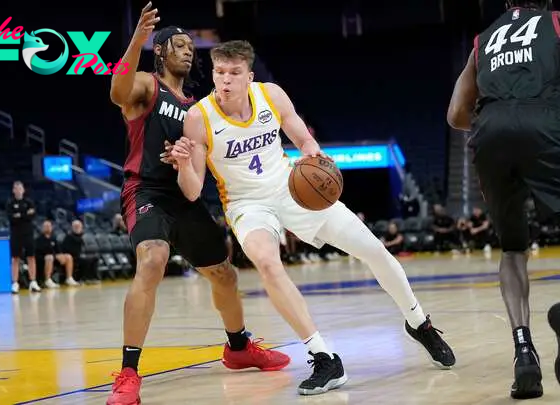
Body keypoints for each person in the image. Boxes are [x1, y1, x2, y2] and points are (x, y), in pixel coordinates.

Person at [167, 39, 456, 396]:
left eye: (234, 73)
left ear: (249, 75)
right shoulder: (199, 117)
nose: (225, 80)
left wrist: (315, 159)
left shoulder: (271, 95)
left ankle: (418, 322)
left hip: (292, 187)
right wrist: (182, 165)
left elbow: (304, 141)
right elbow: (193, 190)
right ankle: (323, 356)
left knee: (373, 249)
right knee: (269, 265)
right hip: (246, 205)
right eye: (219, 72)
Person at [107, 4, 289, 404]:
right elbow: (116, 92)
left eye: (192, 47)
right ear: (160, 50)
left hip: (183, 197)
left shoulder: (195, 107)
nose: (190, 51)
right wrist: (138, 38)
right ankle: (128, 372)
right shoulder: (145, 85)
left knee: (224, 274)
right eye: (180, 45)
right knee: (152, 259)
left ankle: (238, 348)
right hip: (146, 192)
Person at [447, 0, 558, 398]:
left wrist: (499, 118)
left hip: (489, 132)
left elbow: (456, 114)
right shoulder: (557, 23)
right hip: (545, 121)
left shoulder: (483, 39)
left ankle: (523, 348)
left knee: (513, 249)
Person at [6, 181, 40, 294]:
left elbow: (33, 215)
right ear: (13, 191)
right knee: (15, 258)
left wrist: (20, 215)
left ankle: (33, 282)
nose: (18, 190)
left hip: (28, 233)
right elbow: (12, 218)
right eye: (16, 188)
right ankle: (15, 283)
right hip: (16, 234)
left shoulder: (29, 202)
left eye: (20, 188)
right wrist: (25, 214)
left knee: (31, 257)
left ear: (23, 190)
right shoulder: (10, 203)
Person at [35, 220, 79, 287]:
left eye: (49, 226)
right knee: (49, 257)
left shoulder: (53, 238)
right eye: (46, 226)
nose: (48, 228)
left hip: (54, 258)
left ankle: (69, 278)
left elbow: (58, 250)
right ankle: (47, 280)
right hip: (42, 259)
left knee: (68, 256)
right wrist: (55, 256)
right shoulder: (38, 240)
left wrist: (61, 255)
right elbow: (41, 252)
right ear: (42, 228)